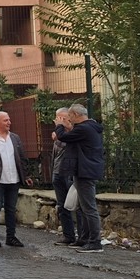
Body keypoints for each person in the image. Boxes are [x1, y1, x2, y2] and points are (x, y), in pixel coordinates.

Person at [0, 111, 33, 247]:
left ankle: (11, 237)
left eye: (9, 120)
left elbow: (21, 158)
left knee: (11, 209)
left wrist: (26, 176)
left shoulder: (15, 138)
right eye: (5, 120)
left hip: (13, 179)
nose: (9, 122)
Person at [55, 103, 105, 253]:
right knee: (83, 207)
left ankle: (95, 242)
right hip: (85, 170)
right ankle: (84, 238)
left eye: (69, 117)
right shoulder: (90, 127)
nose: (68, 120)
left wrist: (59, 125)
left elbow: (63, 137)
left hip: (85, 171)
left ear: (76, 115)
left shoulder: (84, 128)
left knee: (89, 208)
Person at [50, 107, 80, 246]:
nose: (60, 122)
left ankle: (82, 235)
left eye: (63, 118)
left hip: (69, 174)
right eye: (58, 119)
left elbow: (68, 146)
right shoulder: (58, 135)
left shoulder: (74, 133)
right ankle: (68, 235)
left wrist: (60, 133)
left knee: (77, 205)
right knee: (62, 206)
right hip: (58, 172)